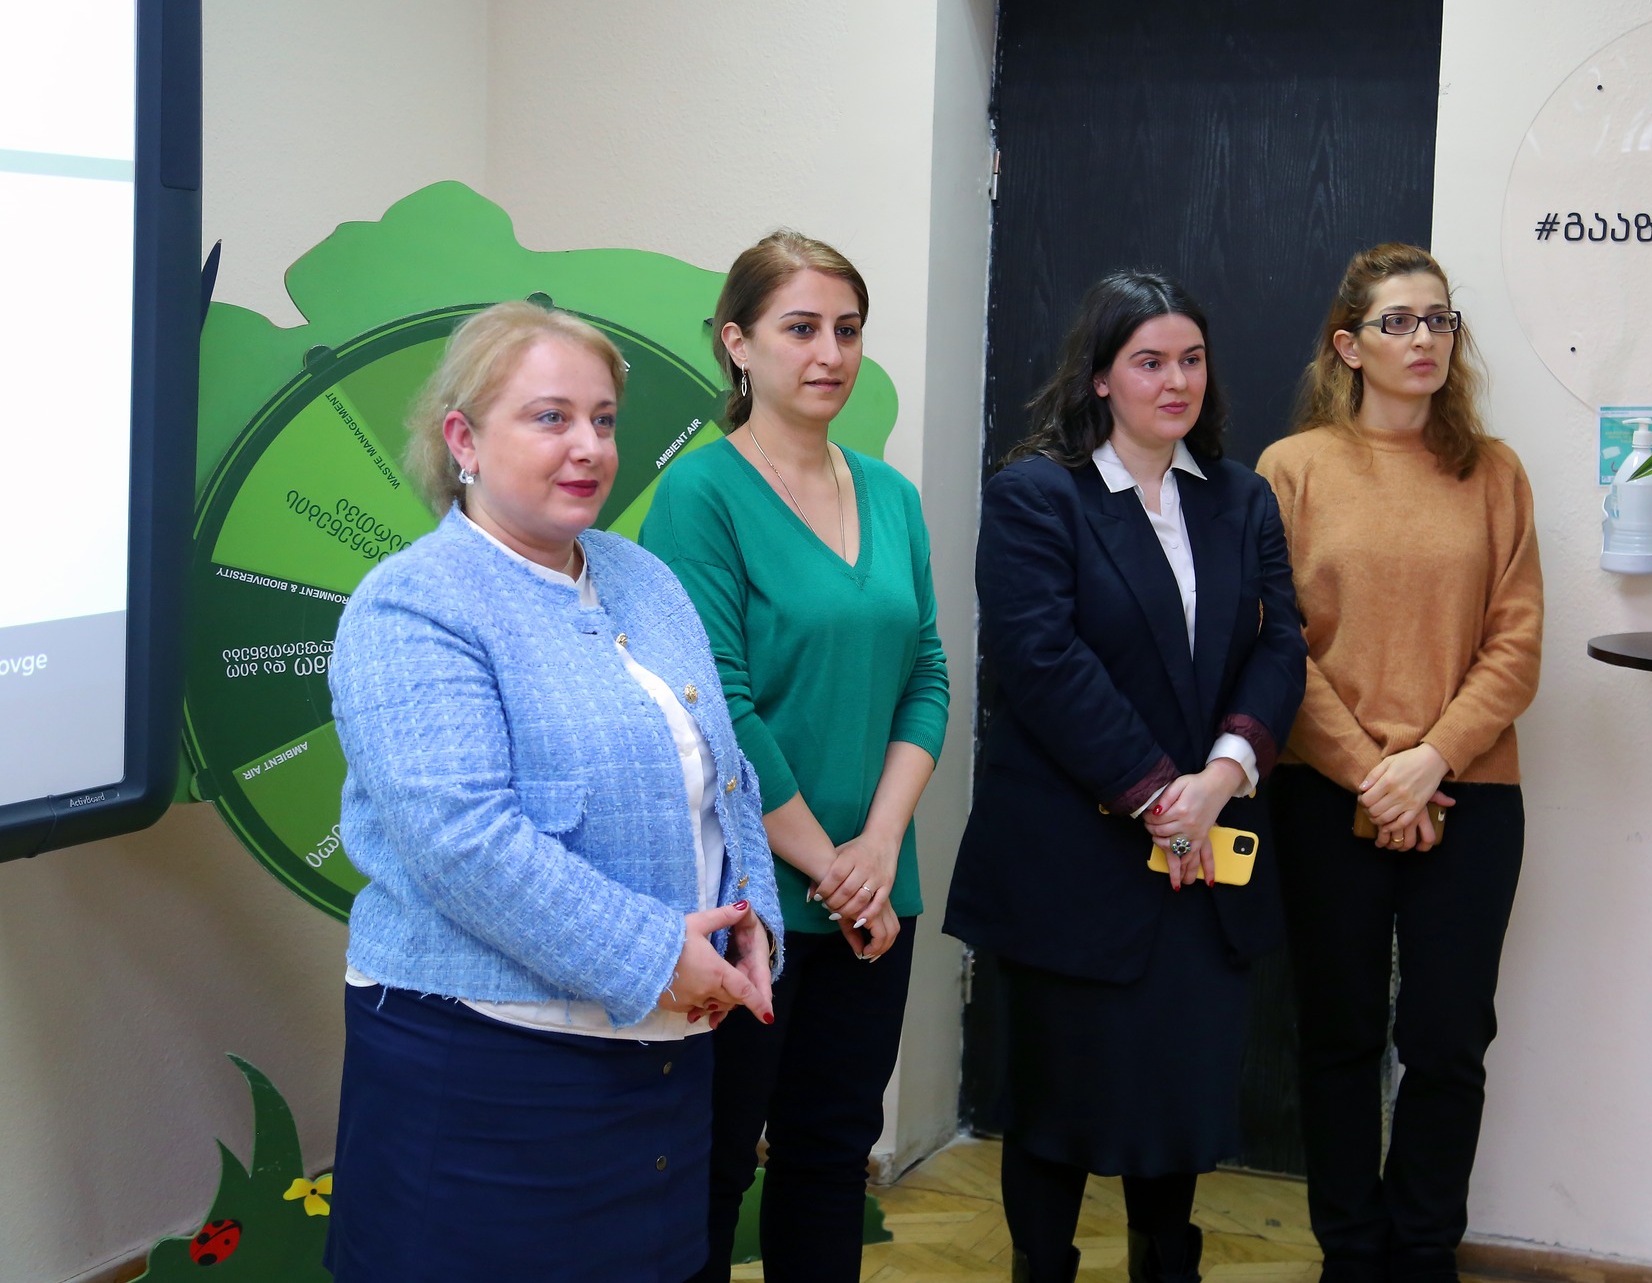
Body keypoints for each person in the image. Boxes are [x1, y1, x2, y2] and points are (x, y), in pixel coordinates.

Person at [324, 301, 783, 1281]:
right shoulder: (412, 603)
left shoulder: (642, 578)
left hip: (665, 1057)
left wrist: (753, 924)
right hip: (488, 1070)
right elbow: (465, 843)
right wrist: (659, 956)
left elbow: (726, 775)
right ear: (463, 440)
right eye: (550, 418)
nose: (589, 447)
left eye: (604, 420)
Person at [946, 272, 1306, 1283]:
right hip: (1070, 859)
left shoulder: (1240, 498)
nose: (1175, 381)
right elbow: (1042, 663)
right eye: (1149, 361)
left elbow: (1282, 646)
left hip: (1200, 855)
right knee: (1052, 1105)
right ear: (1100, 376)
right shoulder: (1035, 495)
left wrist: (1220, 776)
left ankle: (1166, 1263)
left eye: (1191, 360)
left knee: (1177, 1097)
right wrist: (1156, 795)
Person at [640, 230, 950, 1282]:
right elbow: (714, 704)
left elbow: (927, 674)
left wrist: (879, 847)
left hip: (876, 896)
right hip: (747, 898)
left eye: (847, 330)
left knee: (830, 1155)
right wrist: (830, 866)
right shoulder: (700, 495)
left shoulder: (892, 496)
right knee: (715, 1162)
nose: (830, 353)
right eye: (801, 328)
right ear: (737, 343)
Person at [1256, 243, 1543, 1283]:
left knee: (1448, 1036)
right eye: (1397, 322)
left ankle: (1423, 1250)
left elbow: (1515, 645)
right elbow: (1273, 643)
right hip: (1324, 792)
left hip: (1469, 791)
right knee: (1337, 1032)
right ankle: (1350, 1247)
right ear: (1348, 346)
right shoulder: (1292, 470)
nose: (1424, 338)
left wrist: (1429, 761)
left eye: (1439, 320)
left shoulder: (1493, 471)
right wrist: (1373, 773)